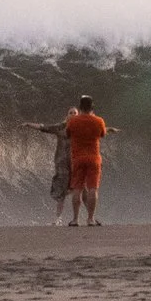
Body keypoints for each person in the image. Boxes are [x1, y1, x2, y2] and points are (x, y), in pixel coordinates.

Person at [62, 96, 111, 226]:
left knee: (77, 188)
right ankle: (90, 219)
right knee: (92, 189)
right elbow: (103, 135)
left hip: (77, 158)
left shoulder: (73, 121)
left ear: (80, 107)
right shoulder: (99, 120)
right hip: (94, 158)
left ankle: (75, 219)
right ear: (92, 107)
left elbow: (67, 135)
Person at [25, 113, 75, 224]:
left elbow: (95, 131)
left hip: (75, 163)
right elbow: (44, 127)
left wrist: (108, 130)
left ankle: (81, 217)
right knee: (61, 192)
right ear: (67, 115)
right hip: (61, 164)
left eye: (75, 113)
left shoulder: (81, 127)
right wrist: (29, 124)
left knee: (78, 190)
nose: (73, 115)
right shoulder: (60, 127)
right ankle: (58, 219)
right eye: (71, 113)